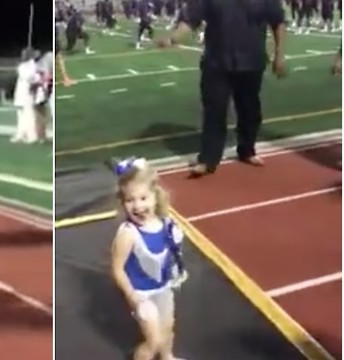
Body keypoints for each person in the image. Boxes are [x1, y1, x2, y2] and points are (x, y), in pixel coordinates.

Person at [157, 0, 287, 177]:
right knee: (214, 110)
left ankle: (247, 150)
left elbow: (277, 21)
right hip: (216, 63)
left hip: (251, 62)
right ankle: (208, 159)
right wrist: (173, 38)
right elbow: (191, 19)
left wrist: (279, 55)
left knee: (250, 110)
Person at [109, 157, 187, 360]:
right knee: (153, 340)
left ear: (155, 196)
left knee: (168, 329)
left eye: (143, 198)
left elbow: (170, 252)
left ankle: (167, 357)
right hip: (141, 293)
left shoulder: (165, 223)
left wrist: (177, 268)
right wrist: (131, 295)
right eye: (130, 200)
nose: (137, 206)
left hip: (162, 287)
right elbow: (117, 268)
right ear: (122, 202)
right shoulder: (128, 233)